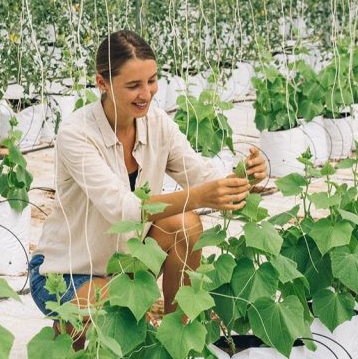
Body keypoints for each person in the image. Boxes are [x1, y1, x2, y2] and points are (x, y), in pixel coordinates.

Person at [28, 30, 267, 348]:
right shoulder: (76, 134)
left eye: (152, 81)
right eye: (133, 85)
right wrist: (197, 197)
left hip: (127, 265)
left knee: (185, 223)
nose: (146, 93)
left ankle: (175, 343)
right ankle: (73, 330)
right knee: (104, 324)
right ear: (102, 83)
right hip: (66, 273)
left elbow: (201, 174)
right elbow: (120, 209)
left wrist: (247, 173)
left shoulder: (157, 123)